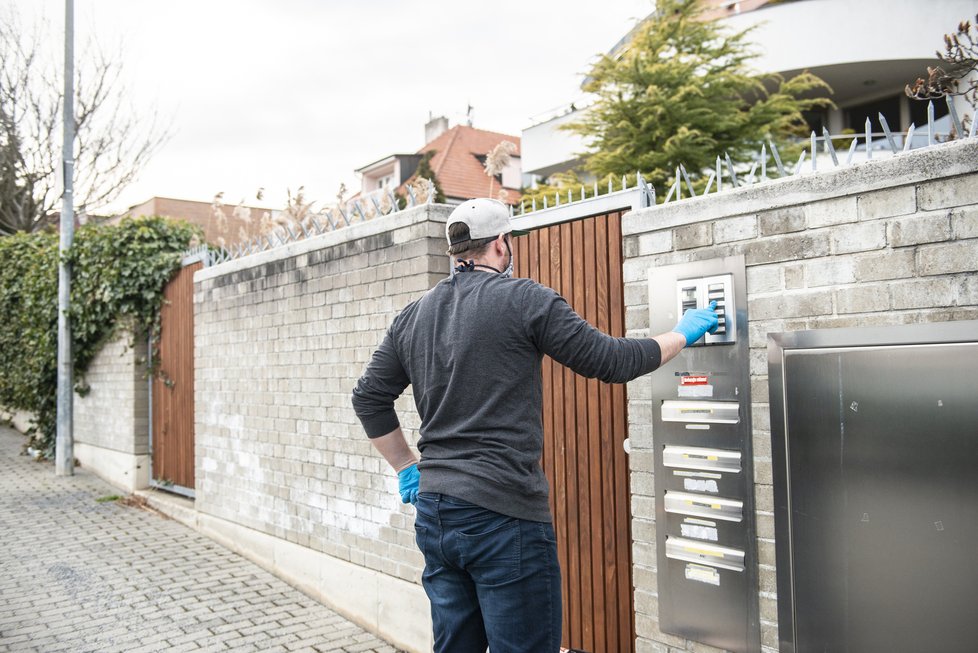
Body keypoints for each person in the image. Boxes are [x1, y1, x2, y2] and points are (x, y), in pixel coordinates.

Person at [351, 198, 718, 653]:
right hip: (502, 514)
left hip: (435, 513)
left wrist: (407, 466)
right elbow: (611, 361)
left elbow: (368, 397)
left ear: (455, 250)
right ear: (502, 244)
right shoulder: (524, 300)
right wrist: (682, 332)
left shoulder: (412, 317)